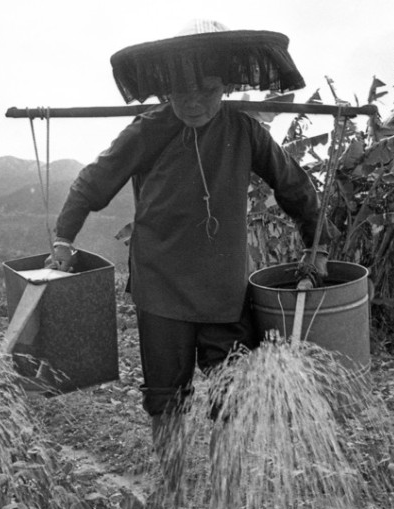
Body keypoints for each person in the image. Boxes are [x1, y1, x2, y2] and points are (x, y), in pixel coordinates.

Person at [47, 20, 328, 445]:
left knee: (231, 392)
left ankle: (224, 489)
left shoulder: (245, 131)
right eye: (182, 93)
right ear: (167, 91)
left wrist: (317, 244)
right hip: (161, 285)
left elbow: (294, 186)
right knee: (165, 395)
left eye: (207, 91)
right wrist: (64, 239)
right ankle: (170, 484)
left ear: (225, 87)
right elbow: (92, 183)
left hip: (224, 288)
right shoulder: (147, 130)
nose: (194, 103)